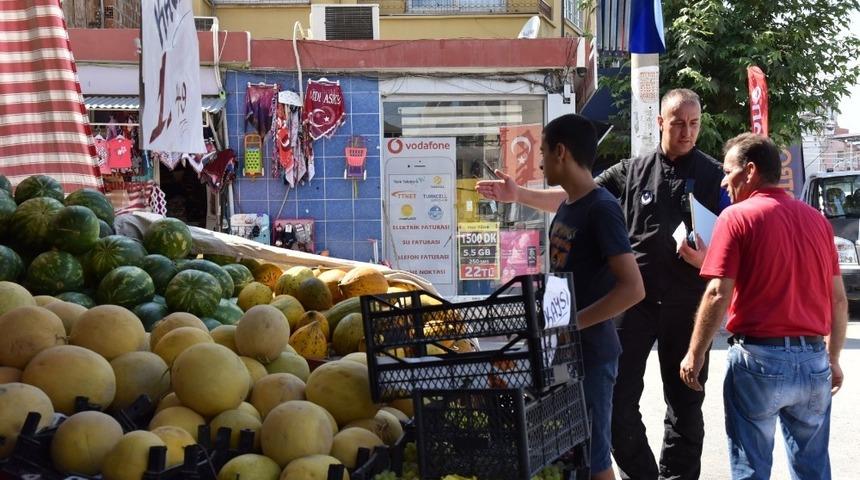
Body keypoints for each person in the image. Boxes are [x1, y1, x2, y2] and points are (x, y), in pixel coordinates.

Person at [477, 89, 726, 479]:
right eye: (678, 123)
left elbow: (735, 239)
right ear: (660, 122)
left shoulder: (714, 176)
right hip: (633, 306)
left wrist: (708, 260)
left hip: (686, 304)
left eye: (694, 124)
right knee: (618, 406)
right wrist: (518, 194)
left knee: (686, 405)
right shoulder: (632, 171)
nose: (687, 132)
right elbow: (575, 195)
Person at [680, 133, 847, 479]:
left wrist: (695, 353)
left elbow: (717, 293)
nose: (724, 181)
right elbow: (838, 299)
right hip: (813, 361)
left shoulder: (736, 217)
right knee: (813, 469)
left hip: (759, 361)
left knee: (751, 469)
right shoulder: (817, 221)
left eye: (728, 171)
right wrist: (832, 359)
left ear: (751, 171)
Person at [540, 113, 645, 480]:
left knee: (595, 457)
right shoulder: (569, 206)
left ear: (561, 152)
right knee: (572, 456)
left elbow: (633, 288)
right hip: (563, 352)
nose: (540, 162)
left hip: (593, 356)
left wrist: (572, 324)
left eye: (543, 152)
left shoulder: (602, 208)